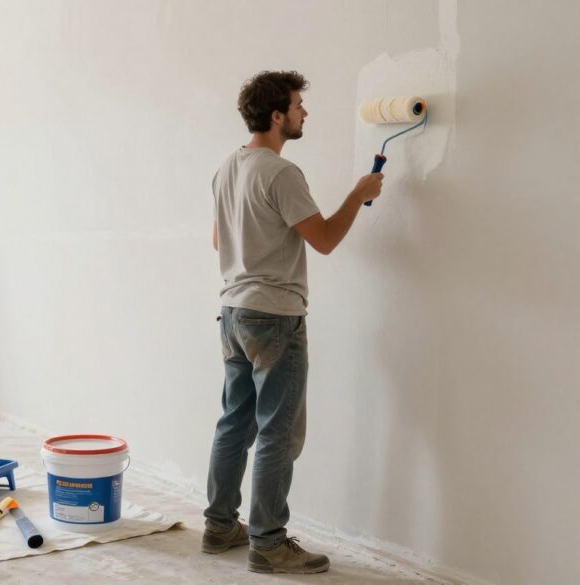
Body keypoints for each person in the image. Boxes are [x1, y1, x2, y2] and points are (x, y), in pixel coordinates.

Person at [201, 70, 383, 574]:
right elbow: (323, 239)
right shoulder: (281, 173)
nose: (305, 113)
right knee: (277, 434)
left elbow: (219, 241)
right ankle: (268, 543)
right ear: (277, 115)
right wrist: (358, 194)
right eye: (299, 105)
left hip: (233, 312)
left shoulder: (228, 167)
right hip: (275, 317)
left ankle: (219, 526)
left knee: (234, 423)